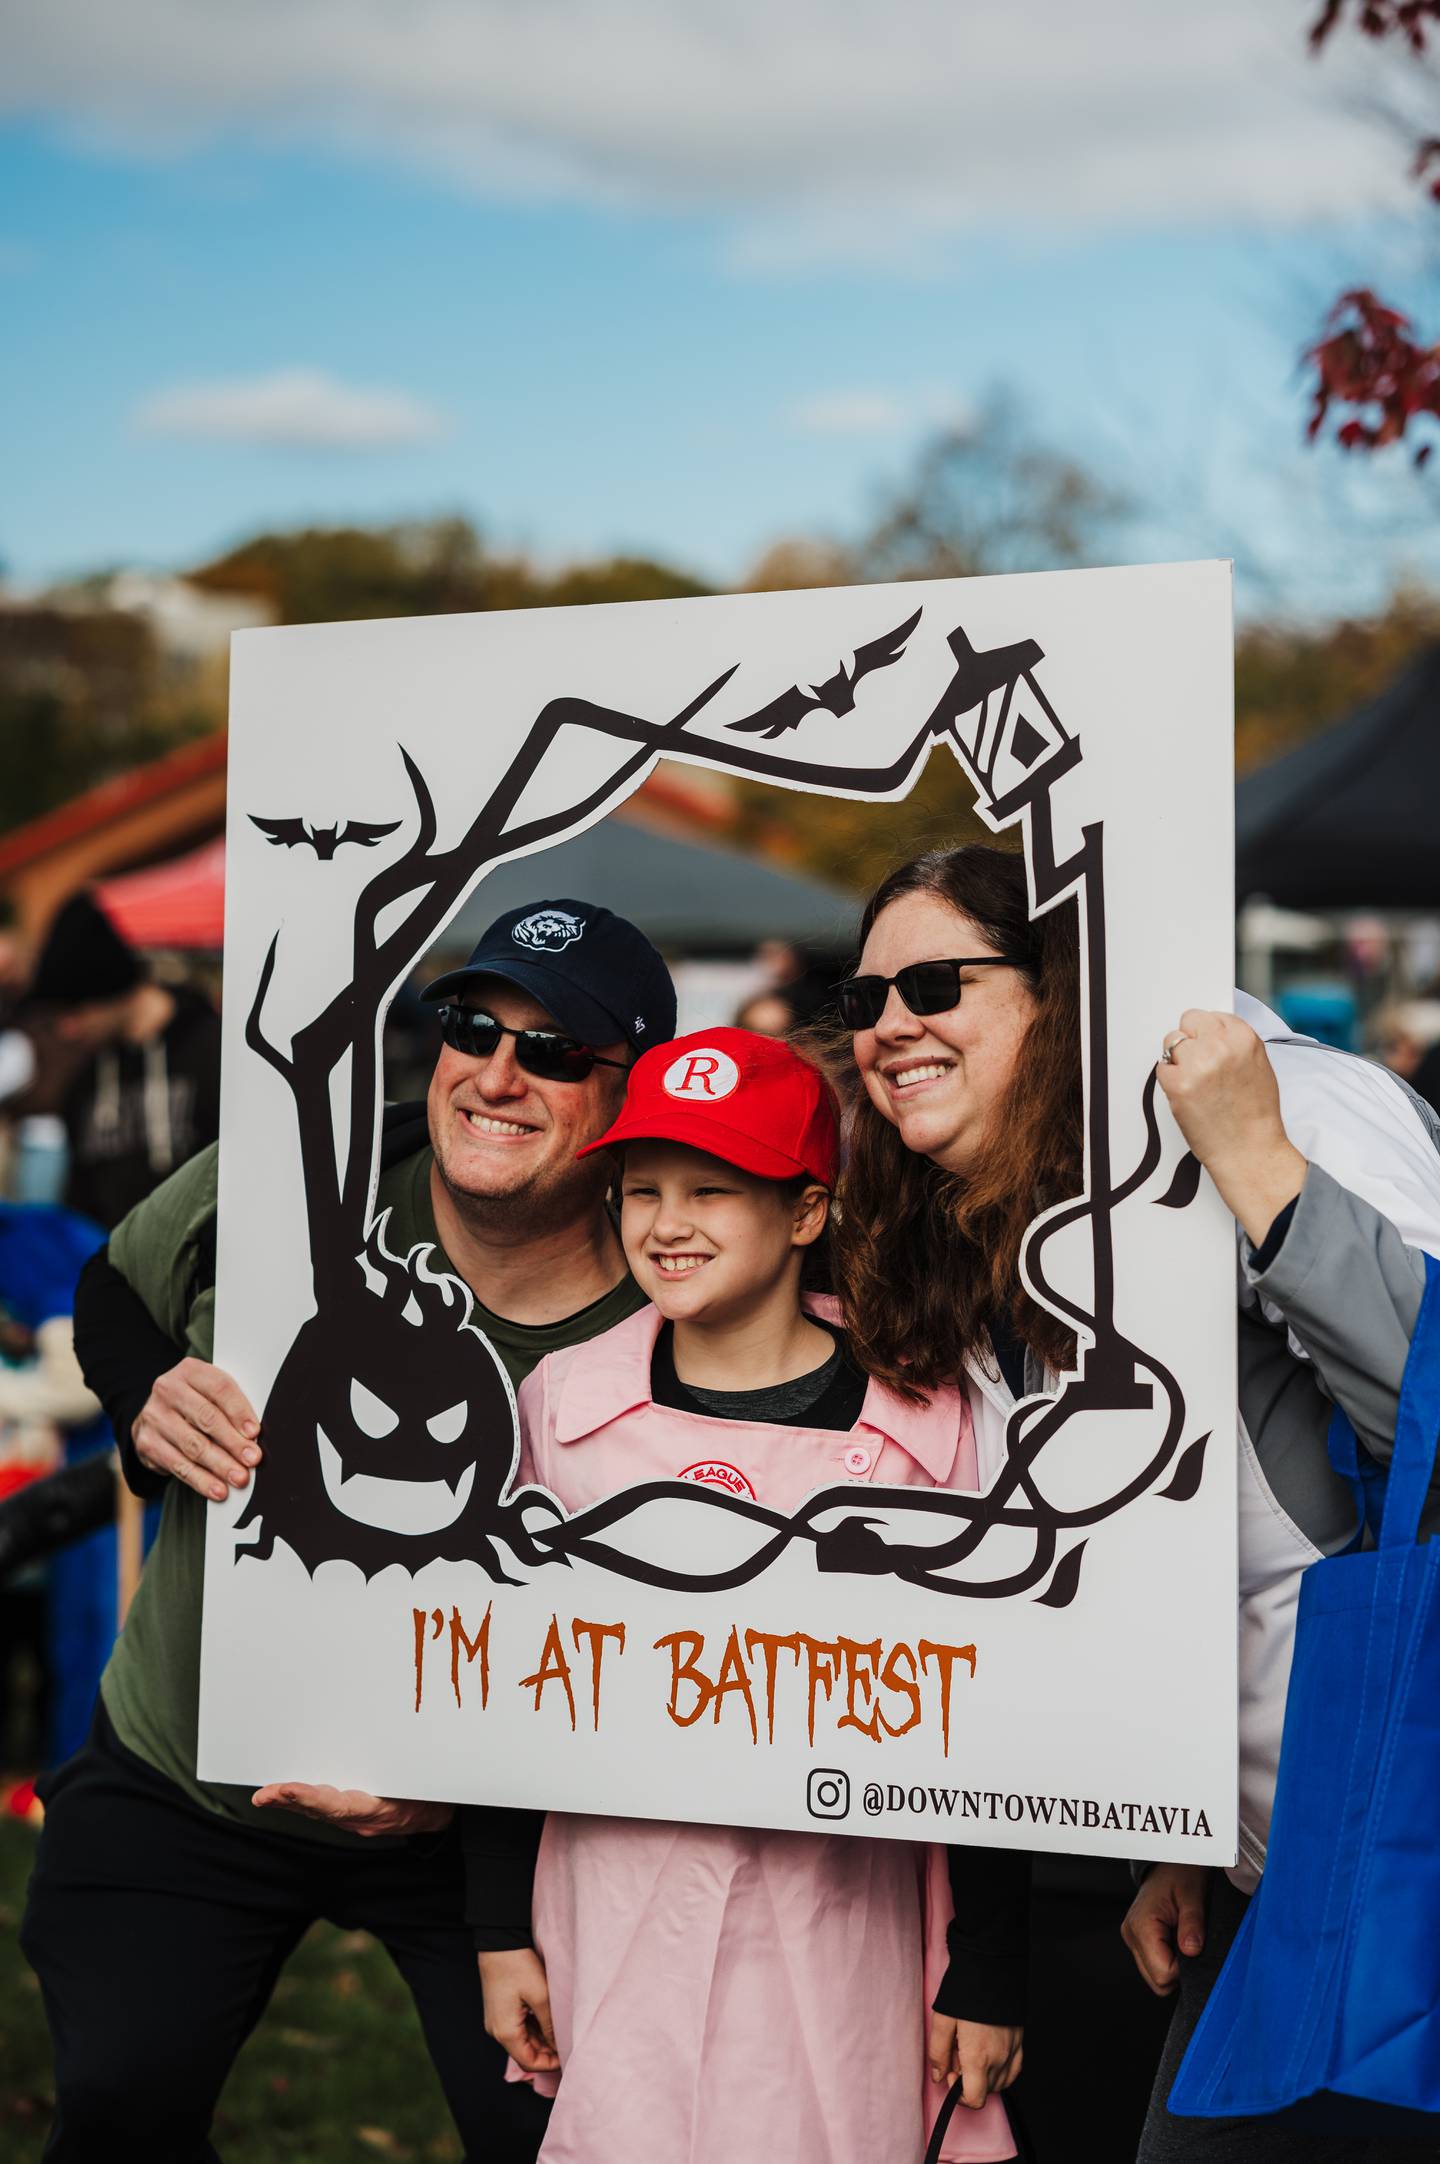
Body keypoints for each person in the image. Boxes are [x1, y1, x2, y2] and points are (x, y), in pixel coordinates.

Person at [24, 898, 675, 2164]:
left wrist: (467, 1796)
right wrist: (146, 1390)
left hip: (484, 1835)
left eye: (552, 1051)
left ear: (630, 1094)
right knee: (119, 2107)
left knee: (564, 2132)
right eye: (471, 1027)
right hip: (188, 1776)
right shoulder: (299, 1170)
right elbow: (114, 1285)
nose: (494, 1071)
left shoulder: (675, 1284)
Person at [830, 843, 1440, 2163]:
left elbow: (1430, 1425)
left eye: (932, 983)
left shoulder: (1300, 1108)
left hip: (1399, 1874)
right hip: (1271, 1874)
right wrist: (1180, 1813)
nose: (886, 1026)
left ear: (1057, 988)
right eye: (863, 996)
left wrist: (1262, 1164)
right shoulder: (1005, 1216)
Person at [470, 1026, 1015, 2164]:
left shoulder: (925, 1421)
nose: (668, 1224)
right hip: (611, 1907)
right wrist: (493, 1927)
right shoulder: (561, 1407)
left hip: (842, 1925)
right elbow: (499, 1691)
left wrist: (991, 1958)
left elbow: (998, 1713)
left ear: (808, 1211)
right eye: (643, 1190)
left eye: (713, 1191)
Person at [21, 890, 222, 1229]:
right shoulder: (84, 1088)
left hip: (210, 1270)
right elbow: (80, 1208)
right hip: (122, 1272)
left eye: (78, 1009)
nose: (67, 1030)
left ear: (110, 989)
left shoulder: (212, 1052)